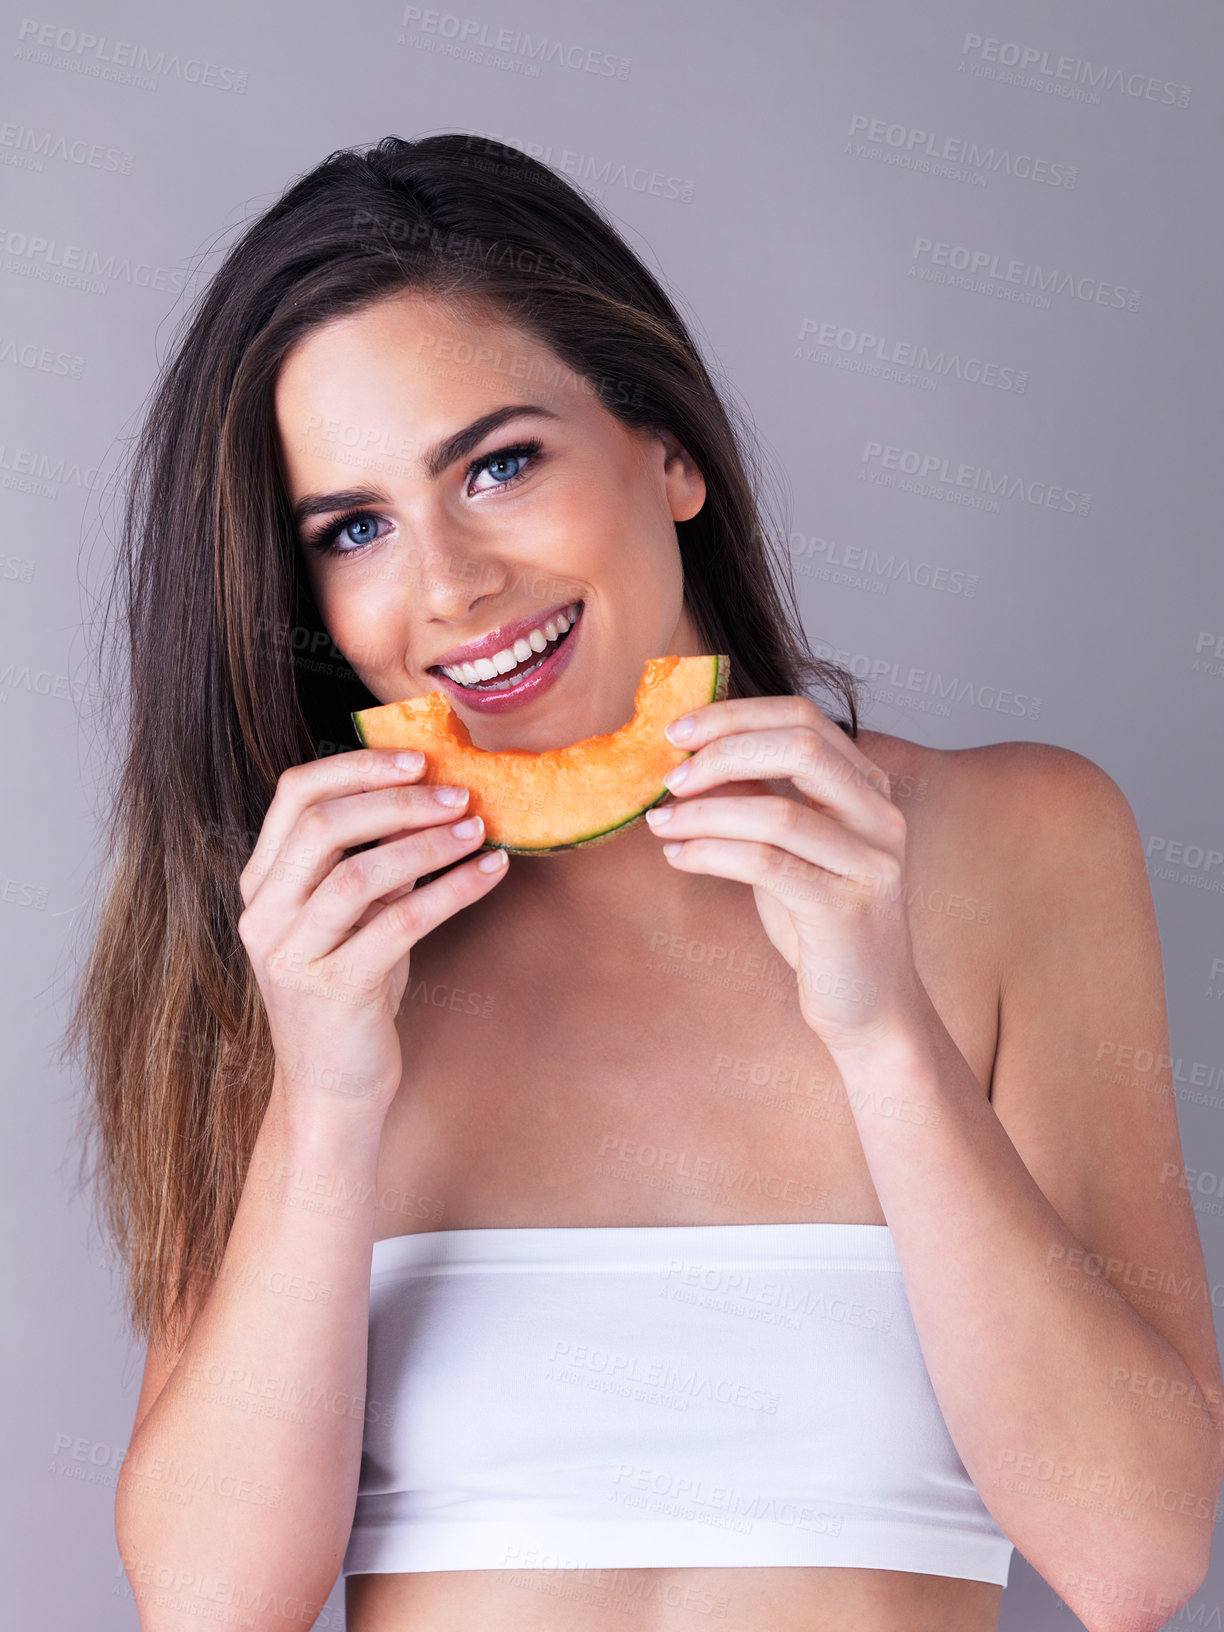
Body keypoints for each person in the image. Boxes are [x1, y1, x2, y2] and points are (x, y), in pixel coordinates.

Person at [67, 132, 1223, 1632]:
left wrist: (883, 1031)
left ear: (665, 450)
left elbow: (1139, 1555)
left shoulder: (1022, 842)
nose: (449, 586)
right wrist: (327, 1095)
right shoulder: (299, 934)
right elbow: (212, 1606)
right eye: (353, 530)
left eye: (498, 464)